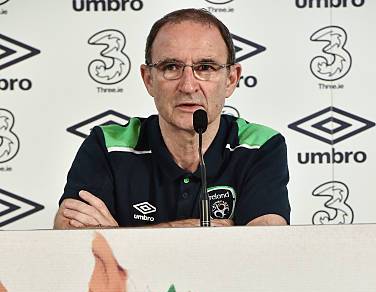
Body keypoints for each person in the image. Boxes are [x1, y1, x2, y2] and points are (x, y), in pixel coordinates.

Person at [54, 8, 290, 230]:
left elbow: (264, 250)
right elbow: (71, 234)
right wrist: (185, 231)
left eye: (205, 67)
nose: (188, 86)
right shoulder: (106, 145)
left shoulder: (261, 146)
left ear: (231, 80)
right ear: (148, 79)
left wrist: (118, 238)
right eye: (171, 66)